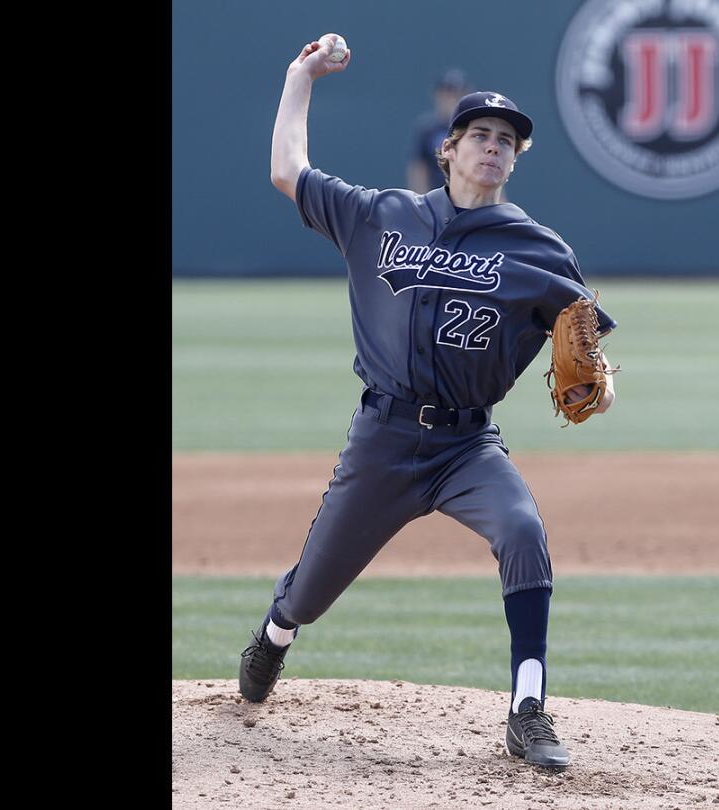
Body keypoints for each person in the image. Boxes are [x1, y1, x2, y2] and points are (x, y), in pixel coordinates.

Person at [240, 32, 618, 770]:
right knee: (310, 592)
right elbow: (289, 169)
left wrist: (597, 394)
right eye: (479, 134)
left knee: (521, 530)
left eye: (507, 141)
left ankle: (528, 709)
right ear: (447, 149)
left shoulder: (540, 251)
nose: (493, 147)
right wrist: (299, 74)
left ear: (515, 160)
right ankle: (275, 635)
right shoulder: (380, 215)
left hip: (466, 447)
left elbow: (594, 366)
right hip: (381, 440)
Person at [407, 68, 470, 194]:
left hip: (468, 198)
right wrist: (420, 200)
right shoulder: (428, 129)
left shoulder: (471, 128)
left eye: (456, 94)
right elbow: (419, 168)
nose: (451, 99)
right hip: (435, 197)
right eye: (447, 94)